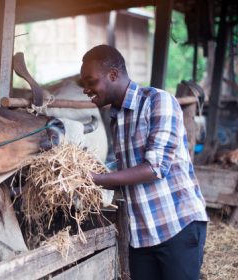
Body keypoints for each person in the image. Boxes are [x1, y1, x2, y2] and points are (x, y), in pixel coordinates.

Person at [79, 45, 208, 280]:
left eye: (90, 81)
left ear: (114, 75)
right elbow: (128, 175)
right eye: (83, 84)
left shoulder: (158, 102)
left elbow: (155, 167)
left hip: (177, 226)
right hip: (142, 233)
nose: (86, 90)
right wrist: (82, 178)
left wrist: (95, 178)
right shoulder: (116, 118)